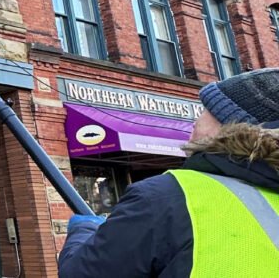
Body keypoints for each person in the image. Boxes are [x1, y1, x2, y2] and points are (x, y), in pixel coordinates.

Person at [59, 67, 279, 277]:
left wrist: (83, 231)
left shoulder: (165, 198)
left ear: (231, 125)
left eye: (206, 110)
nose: (195, 122)